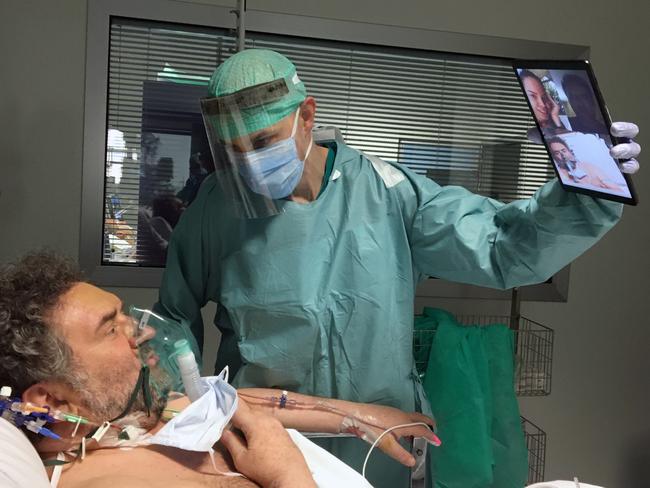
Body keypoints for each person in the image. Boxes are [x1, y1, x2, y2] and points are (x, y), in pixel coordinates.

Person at [155, 49, 641, 486]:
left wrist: (584, 191)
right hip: (267, 440)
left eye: (263, 141)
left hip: (380, 440)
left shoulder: (387, 194)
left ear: (307, 115)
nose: (249, 164)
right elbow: (172, 317)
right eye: (233, 149)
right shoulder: (217, 207)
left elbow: (504, 247)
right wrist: (190, 409)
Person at [0, 251, 437, 488]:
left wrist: (365, 419)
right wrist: (286, 473)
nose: (142, 331)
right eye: (111, 328)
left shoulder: (131, 420)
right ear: (52, 400)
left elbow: (241, 403)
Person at [547, 136, 627, 191]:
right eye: (557, 153)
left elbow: (617, 190)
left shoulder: (589, 167)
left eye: (564, 151)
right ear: (554, 157)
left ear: (570, 151)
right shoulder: (560, 177)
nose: (563, 155)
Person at [519, 69, 570, 135]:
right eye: (533, 96)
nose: (542, 104)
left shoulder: (551, 122)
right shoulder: (535, 133)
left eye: (543, 97)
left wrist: (555, 117)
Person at [561, 74, 610, 138]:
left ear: (591, 99)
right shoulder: (567, 126)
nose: (578, 102)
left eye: (583, 96)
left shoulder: (608, 129)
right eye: (572, 97)